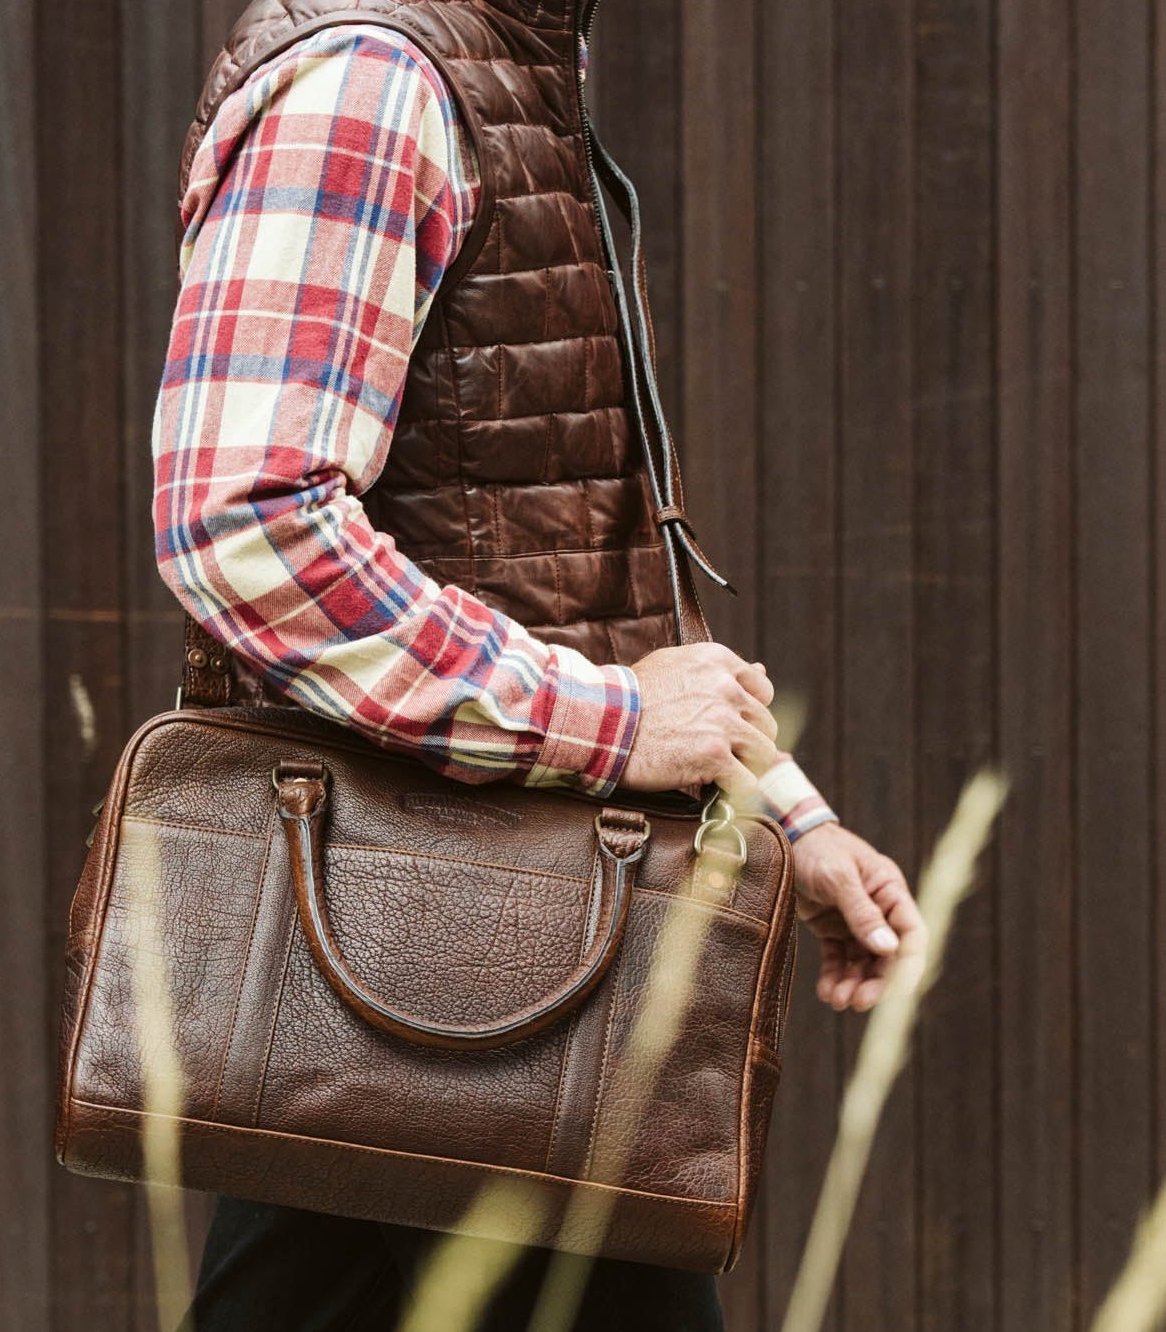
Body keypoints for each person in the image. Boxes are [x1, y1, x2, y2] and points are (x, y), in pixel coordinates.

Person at [152, 4, 928, 1327]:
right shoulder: (376, 79)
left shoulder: (512, 63)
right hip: (465, 975)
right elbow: (246, 522)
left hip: (454, 972)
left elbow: (542, 537)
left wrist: (780, 814)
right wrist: (614, 724)